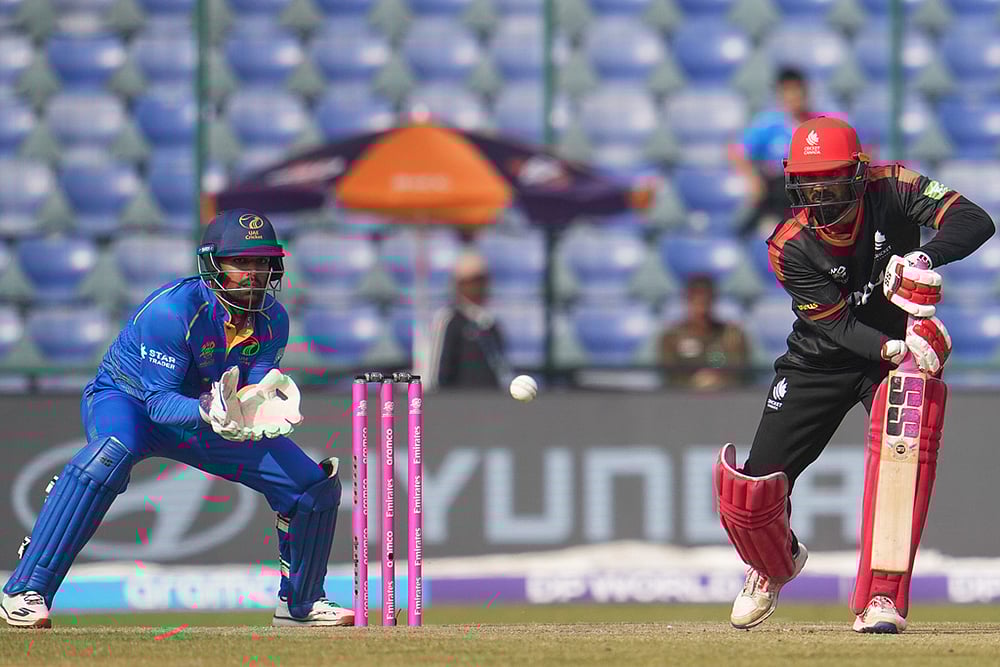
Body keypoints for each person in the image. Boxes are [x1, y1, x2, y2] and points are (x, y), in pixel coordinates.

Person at [1, 209, 354, 629]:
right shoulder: (173, 311)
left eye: (262, 262)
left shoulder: (273, 320)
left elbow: (251, 392)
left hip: (206, 415)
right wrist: (212, 409)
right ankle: (26, 589)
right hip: (130, 400)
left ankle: (300, 604)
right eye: (241, 262)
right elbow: (159, 405)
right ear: (212, 264)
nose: (254, 274)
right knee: (108, 457)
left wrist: (259, 407)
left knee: (310, 486)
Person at [712, 117, 994, 634]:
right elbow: (839, 324)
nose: (820, 199)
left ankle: (881, 598)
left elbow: (976, 220)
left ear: (859, 176)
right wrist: (899, 344)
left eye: (833, 184)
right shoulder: (789, 245)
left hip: (890, 362)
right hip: (820, 357)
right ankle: (772, 565)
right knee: (751, 490)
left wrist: (923, 255)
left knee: (903, 461)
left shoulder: (894, 187)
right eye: (808, 185)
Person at [732, 67, 814, 238]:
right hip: (776, 192)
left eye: (796, 90)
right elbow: (737, 152)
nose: (792, 96)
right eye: (786, 91)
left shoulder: (816, 124)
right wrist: (752, 179)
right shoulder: (769, 123)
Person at [426, 250, 513, 390]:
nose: (476, 288)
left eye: (480, 281)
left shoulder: (491, 325)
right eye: (470, 282)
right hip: (459, 405)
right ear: (459, 284)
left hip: (492, 405)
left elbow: (502, 371)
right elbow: (437, 376)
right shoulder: (450, 320)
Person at [659, 275, 749, 390]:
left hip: (725, 398)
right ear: (686, 301)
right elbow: (669, 376)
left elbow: (741, 373)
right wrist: (696, 383)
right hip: (683, 400)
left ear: (713, 301)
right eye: (696, 301)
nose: (701, 309)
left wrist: (717, 380)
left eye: (706, 302)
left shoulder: (732, 335)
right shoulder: (672, 337)